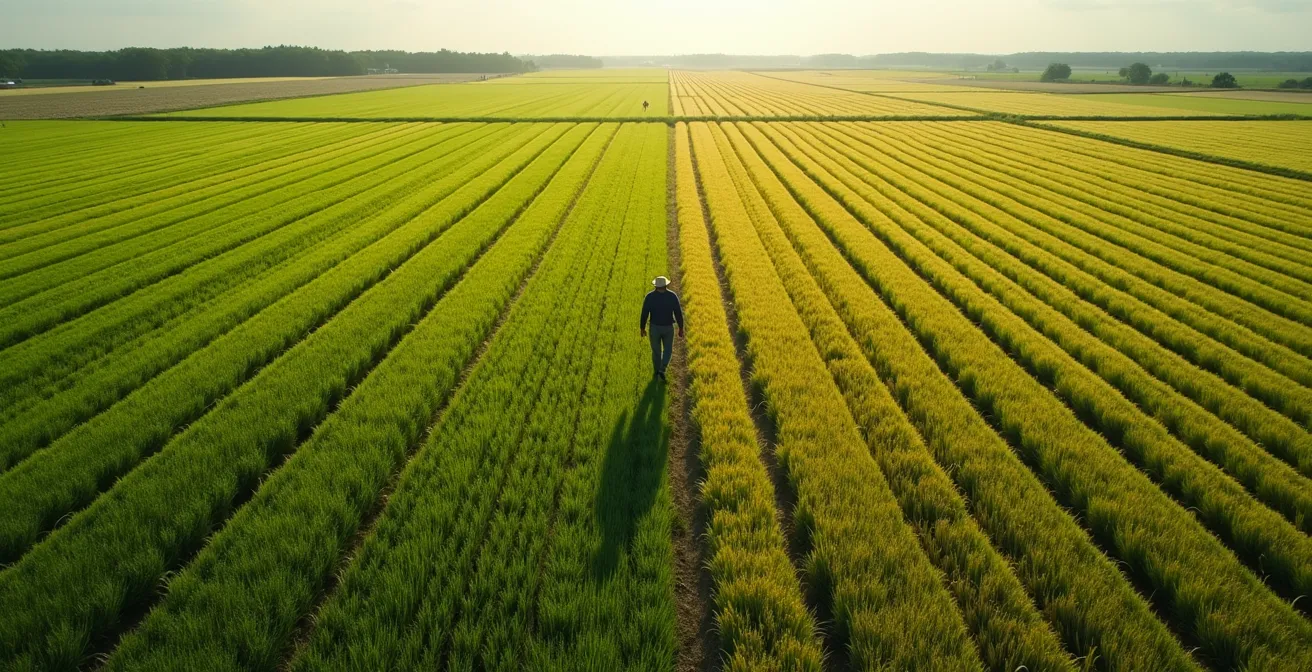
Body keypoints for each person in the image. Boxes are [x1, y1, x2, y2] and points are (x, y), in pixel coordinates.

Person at [640, 276, 683, 381]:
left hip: (654, 328)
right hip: (668, 328)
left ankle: (656, 372)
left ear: (655, 285)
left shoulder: (649, 297)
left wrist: (642, 328)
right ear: (666, 285)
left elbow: (644, 313)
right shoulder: (672, 296)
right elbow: (678, 313)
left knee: (656, 351)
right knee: (668, 349)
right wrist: (681, 327)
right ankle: (662, 369)